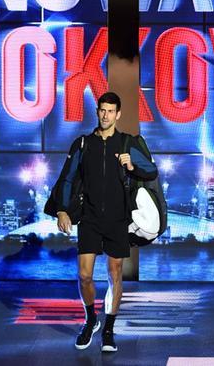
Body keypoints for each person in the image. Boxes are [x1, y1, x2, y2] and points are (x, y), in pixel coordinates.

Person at [55, 92, 158, 352]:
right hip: (89, 218)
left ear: (118, 114)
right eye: (102, 110)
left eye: (111, 111)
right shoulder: (83, 144)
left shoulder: (127, 143)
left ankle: (109, 328)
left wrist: (133, 165)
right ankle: (91, 320)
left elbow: (152, 170)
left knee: (114, 276)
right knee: (84, 275)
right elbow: (67, 178)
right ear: (97, 111)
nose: (105, 115)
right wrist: (62, 211)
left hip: (117, 218)